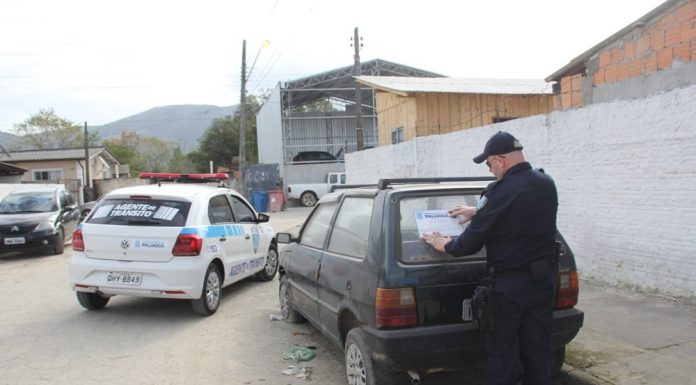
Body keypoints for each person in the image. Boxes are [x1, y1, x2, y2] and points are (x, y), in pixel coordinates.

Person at [422, 131, 558, 385]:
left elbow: (469, 244)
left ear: (500, 160)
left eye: (488, 164)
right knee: (538, 353)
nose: (489, 170)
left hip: (509, 290)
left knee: (502, 354)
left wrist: (444, 244)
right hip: (542, 283)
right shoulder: (545, 183)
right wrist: (479, 211)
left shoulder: (498, 191)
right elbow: (522, 210)